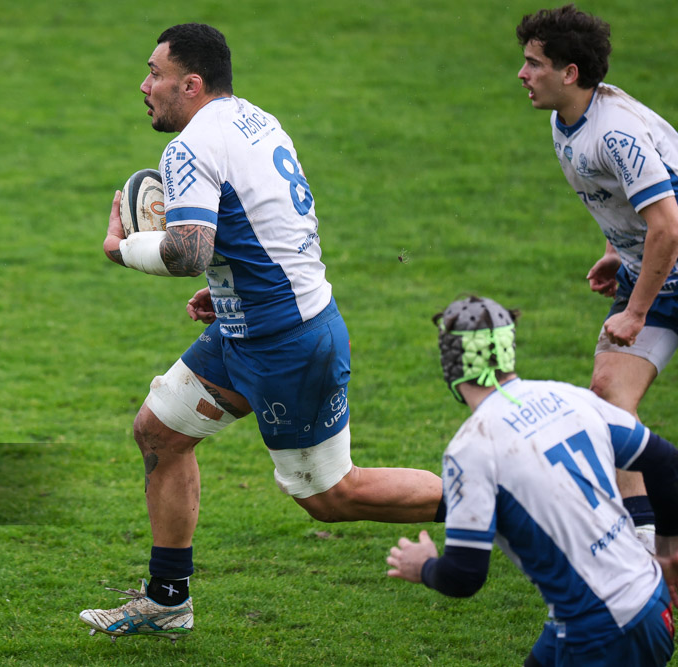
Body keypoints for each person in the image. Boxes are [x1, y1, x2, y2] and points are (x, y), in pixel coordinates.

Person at [79, 22, 444, 642]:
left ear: (190, 84)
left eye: (155, 75)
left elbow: (190, 249)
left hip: (288, 344)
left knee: (331, 496)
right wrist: (228, 290)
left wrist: (125, 248)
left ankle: (502, 502)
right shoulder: (255, 119)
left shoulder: (189, 146)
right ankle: (167, 600)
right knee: (159, 432)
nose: (144, 86)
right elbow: (267, 222)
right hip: (251, 323)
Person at [386, 295, 678, 666]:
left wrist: (423, 566)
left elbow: (464, 574)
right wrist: (668, 550)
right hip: (650, 598)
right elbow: (666, 462)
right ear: (507, 350)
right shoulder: (568, 397)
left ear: (450, 365)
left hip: (600, 630)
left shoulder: (471, 448)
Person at [516, 4, 678, 551]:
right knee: (609, 398)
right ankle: (646, 537)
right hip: (652, 267)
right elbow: (624, 204)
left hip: (664, 262)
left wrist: (636, 311)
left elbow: (668, 225)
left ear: (570, 73)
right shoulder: (565, 122)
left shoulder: (616, 132)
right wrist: (614, 248)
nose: (522, 75)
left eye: (534, 64)